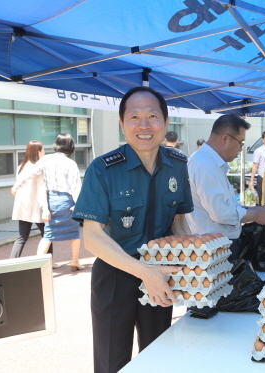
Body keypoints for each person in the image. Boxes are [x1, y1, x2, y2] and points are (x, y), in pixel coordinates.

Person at [72, 87, 194, 373]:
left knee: (158, 354)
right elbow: (92, 236)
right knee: (113, 360)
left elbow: (178, 222)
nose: (144, 125)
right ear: (121, 124)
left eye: (152, 116)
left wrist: (191, 265)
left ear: (165, 122)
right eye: (134, 117)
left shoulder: (178, 165)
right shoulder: (103, 169)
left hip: (161, 272)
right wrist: (144, 273)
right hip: (116, 273)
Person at [186, 114, 265, 259]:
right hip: (213, 248)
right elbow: (221, 213)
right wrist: (255, 214)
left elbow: (226, 205)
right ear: (225, 139)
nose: (241, 149)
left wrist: (251, 209)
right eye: (240, 143)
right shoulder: (205, 164)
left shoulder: (210, 162)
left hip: (216, 245)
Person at [12, 134, 83, 271]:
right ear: (70, 146)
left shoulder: (45, 159)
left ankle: (38, 263)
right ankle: (74, 261)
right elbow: (76, 187)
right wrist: (77, 204)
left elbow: (29, 174)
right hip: (67, 201)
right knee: (74, 233)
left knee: (48, 234)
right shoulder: (71, 163)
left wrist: (16, 186)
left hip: (51, 200)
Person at [10, 141, 53, 260]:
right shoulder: (38, 167)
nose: (44, 151)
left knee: (22, 236)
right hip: (36, 206)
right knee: (47, 234)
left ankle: (12, 262)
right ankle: (49, 262)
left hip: (23, 207)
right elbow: (41, 189)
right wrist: (45, 208)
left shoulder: (22, 166)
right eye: (43, 149)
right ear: (38, 151)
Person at [248, 130, 265, 203]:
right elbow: (255, 166)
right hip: (262, 177)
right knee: (262, 197)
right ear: (263, 140)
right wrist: (251, 181)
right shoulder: (258, 151)